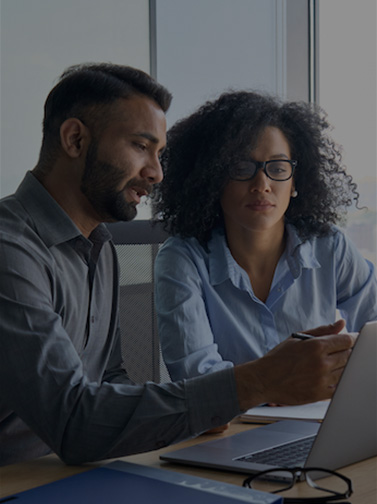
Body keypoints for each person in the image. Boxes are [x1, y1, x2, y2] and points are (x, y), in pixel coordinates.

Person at [0, 65, 355, 468]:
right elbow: (75, 423)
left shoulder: (98, 246)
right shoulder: (10, 250)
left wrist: (189, 413)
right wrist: (256, 382)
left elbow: (110, 381)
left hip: (68, 475)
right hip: (17, 479)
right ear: (75, 139)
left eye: (159, 153)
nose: (156, 172)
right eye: (140, 146)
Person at [153, 91, 376, 382]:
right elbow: (197, 381)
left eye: (278, 168)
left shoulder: (330, 246)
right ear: (213, 178)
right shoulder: (182, 259)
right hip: (232, 426)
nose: (262, 184)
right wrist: (280, 383)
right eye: (242, 168)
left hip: (321, 419)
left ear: (296, 181)